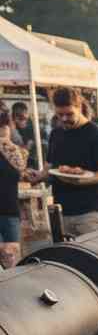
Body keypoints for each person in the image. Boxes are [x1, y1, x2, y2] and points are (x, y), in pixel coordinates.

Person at [45, 87, 98, 237]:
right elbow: (50, 168)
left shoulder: (96, 133)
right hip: (61, 211)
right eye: (59, 115)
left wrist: (80, 181)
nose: (64, 119)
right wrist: (36, 176)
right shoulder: (56, 133)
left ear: (79, 107)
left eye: (69, 114)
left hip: (90, 213)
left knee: (90, 259)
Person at [0, 109, 29, 268]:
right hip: (8, 212)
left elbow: (20, 168)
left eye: (6, 125)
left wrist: (7, 145)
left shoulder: (13, 150)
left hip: (11, 212)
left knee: (13, 262)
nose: (4, 130)